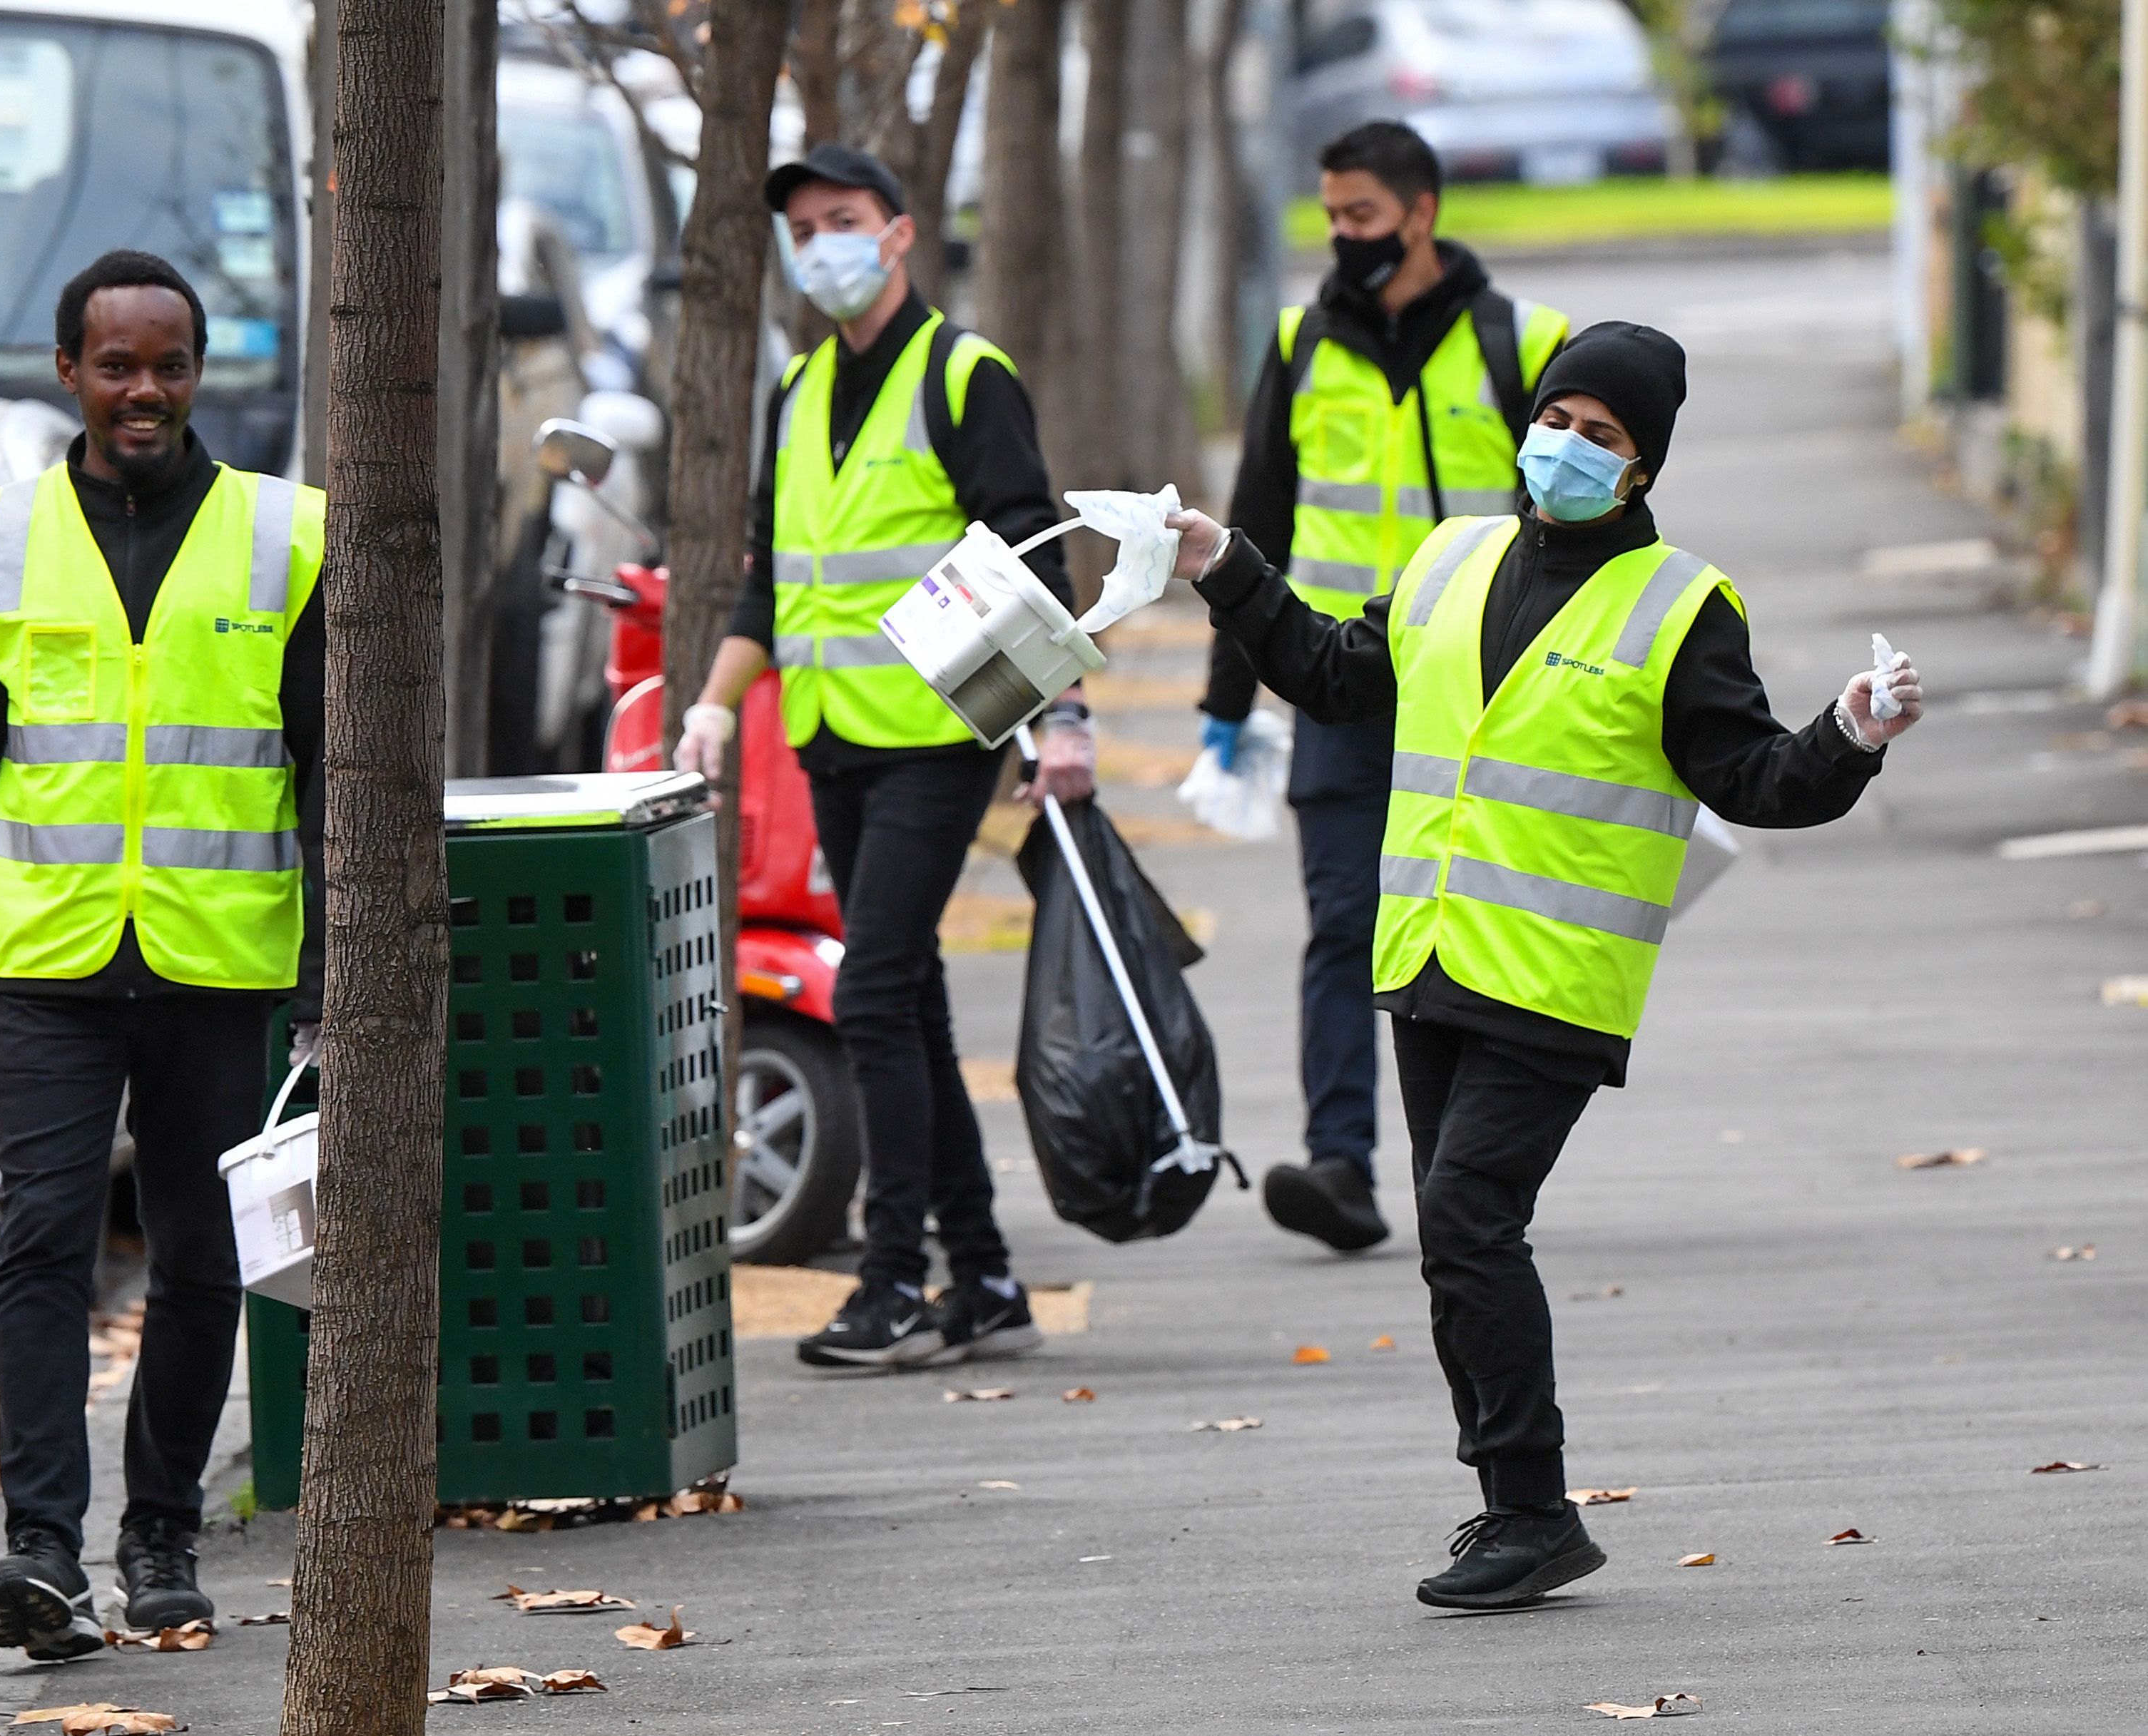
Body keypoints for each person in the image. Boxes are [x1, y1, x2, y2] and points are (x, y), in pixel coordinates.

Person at [1169, 322, 1923, 1609]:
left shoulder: (1681, 605)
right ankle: (1508, 1506)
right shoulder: (1450, 557)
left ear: (1641, 469)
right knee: (1451, 1239)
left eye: (1601, 435)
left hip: (1556, 977)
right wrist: (1225, 567)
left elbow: (1750, 777)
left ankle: (1532, 1511)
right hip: (1431, 955)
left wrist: (1846, 736)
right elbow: (1336, 677)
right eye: (1556, 420)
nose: (1566, 447)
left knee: (1469, 1219)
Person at [0, 250, 324, 1658]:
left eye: (168, 366)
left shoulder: (288, 537)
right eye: (116, 365)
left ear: (198, 374)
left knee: (197, 1259)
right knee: (42, 1247)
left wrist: (332, 981)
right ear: (69, 371)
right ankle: (45, 1550)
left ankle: (161, 1537)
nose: (144, 391)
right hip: (57, 962)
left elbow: (337, 776)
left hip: (222, 965)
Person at [672, 143, 1092, 1370]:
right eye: (804, 230)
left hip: (937, 736)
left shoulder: (963, 375)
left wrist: (1062, 720)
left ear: (901, 233)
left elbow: (1033, 550)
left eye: (844, 221)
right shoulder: (798, 389)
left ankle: (894, 1276)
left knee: (869, 990)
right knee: (908, 997)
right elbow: (766, 573)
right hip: (831, 736)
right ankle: (987, 1275)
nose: (823, 247)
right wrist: (713, 705)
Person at [1201, 121, 1570, 1256]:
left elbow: (1572, 526)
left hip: (1480, 693)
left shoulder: (1521, 343)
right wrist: (1226, 704)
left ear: (1421, 212)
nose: (1341, 235)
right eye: (1329, 216)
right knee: (1343, 924)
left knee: (1474, 930)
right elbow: (1255, 521)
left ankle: (1461, 1162)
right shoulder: (1300, 343)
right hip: (1338, 684)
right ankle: (1340, 1164)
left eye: (1360, 215)